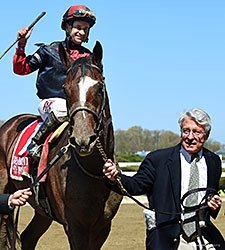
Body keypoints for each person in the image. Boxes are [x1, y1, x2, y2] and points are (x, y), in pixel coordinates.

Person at [103, 108, 225, 250]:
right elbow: (136, 185)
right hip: (168, 239)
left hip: (203, 237)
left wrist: (213, 202)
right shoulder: (157, 160)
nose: (190, 137)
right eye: (186, 131)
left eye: (196, 132)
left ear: (206, 135)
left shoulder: (213, 161)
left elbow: (210, 195)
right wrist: (115, 177)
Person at [13, 4, 96, 160]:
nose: (82, 32)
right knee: (62, 109)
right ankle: (35, 143)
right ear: (67, 26)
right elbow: (21, 69)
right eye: (78, 27)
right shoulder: (49, 51)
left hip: (76, 106)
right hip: (50, 103)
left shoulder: (89, 58)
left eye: (85, 29)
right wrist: (21, 44)